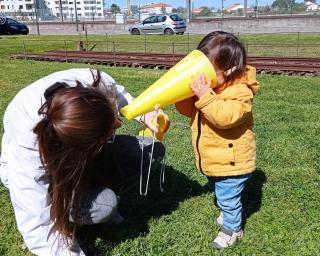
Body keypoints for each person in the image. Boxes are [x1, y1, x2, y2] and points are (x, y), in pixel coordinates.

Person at [0, 68, 165, 255]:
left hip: (79, 153)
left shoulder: (92, 82)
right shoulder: (27, 153)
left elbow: (117, 93)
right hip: (50, 177)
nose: (118, 125)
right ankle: (68, 208)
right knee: (105, 205)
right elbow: (39, 227)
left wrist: (143, 114)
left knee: (148, 150)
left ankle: (94, 187)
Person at [175, 31, 259, 249]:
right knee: (218, 188)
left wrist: (204, 96)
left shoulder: (240, 92)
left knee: (228, 198)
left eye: (208, 70)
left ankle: (233, 229)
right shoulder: (209, 89)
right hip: (214, 159)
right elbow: (187, 111)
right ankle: (228, 211)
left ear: (229, 70)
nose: (202, 75)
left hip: (233, 163)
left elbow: (224, 117)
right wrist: (185, 93)